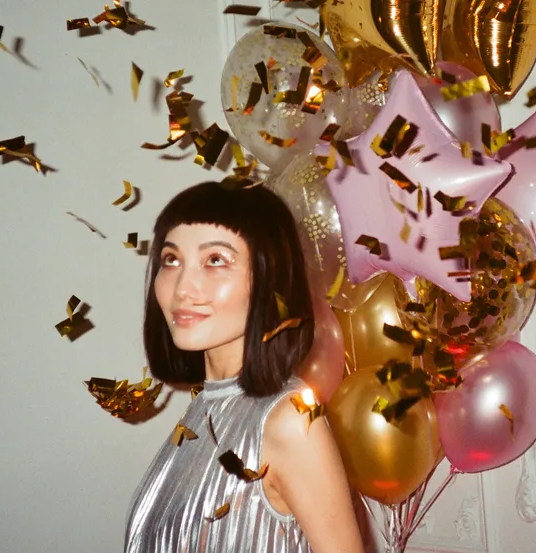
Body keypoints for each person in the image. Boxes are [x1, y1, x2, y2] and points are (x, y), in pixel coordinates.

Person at [124, 181, 365, 553]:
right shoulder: (203, 409)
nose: (182, 287)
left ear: (270, 280)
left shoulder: (289, 421)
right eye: (171, 260)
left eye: (215, 260)